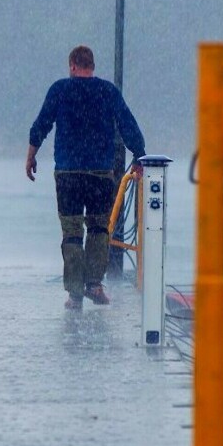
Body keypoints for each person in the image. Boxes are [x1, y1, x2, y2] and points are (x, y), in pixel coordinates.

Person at [26, 45, 146, 310]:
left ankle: (75, 293)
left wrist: (31, 155)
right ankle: (94, 284)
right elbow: (128, 124)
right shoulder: (107, 92)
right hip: (100, 174)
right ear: (92, 66)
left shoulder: (60, 89)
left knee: (71, 233)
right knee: (98, 229)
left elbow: (41, 125)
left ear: (72, 65)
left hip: (68, 173)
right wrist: (139, 154)